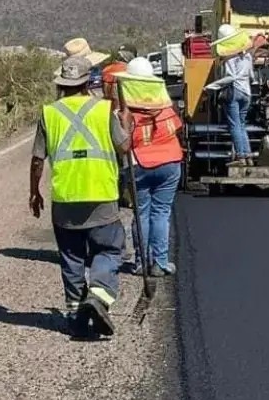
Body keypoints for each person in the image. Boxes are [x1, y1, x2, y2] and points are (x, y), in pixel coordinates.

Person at [30, 54, 130, 338]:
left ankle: (76, 318)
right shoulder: (103, 110)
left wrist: (34, 192)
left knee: (72, 258)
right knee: (108, 250)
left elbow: (38, 160)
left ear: (62, 84)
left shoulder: (49, 113)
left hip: (65, 199)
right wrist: (127, 123)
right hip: (101, 196)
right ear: (88, 83)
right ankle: (98, 296)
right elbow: (124, 147)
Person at [115, 57, 184, 277]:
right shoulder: (166, 108)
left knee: (142, 214)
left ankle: (141, 262)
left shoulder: (125, 113)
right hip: (170, 163)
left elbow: (121, 142)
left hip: (138, 166)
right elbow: (177, 128)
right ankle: (161, 262)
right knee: (161, 213)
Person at [206, 24, 258, 166]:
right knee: (241, 125)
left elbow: (230, 77)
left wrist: (211, 86)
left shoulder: (229, 58)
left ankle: (240, 157)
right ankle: (248, 156)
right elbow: (252, 77)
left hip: (234, 92)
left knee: (234, 125)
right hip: (247, 94)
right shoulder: (247, 56)